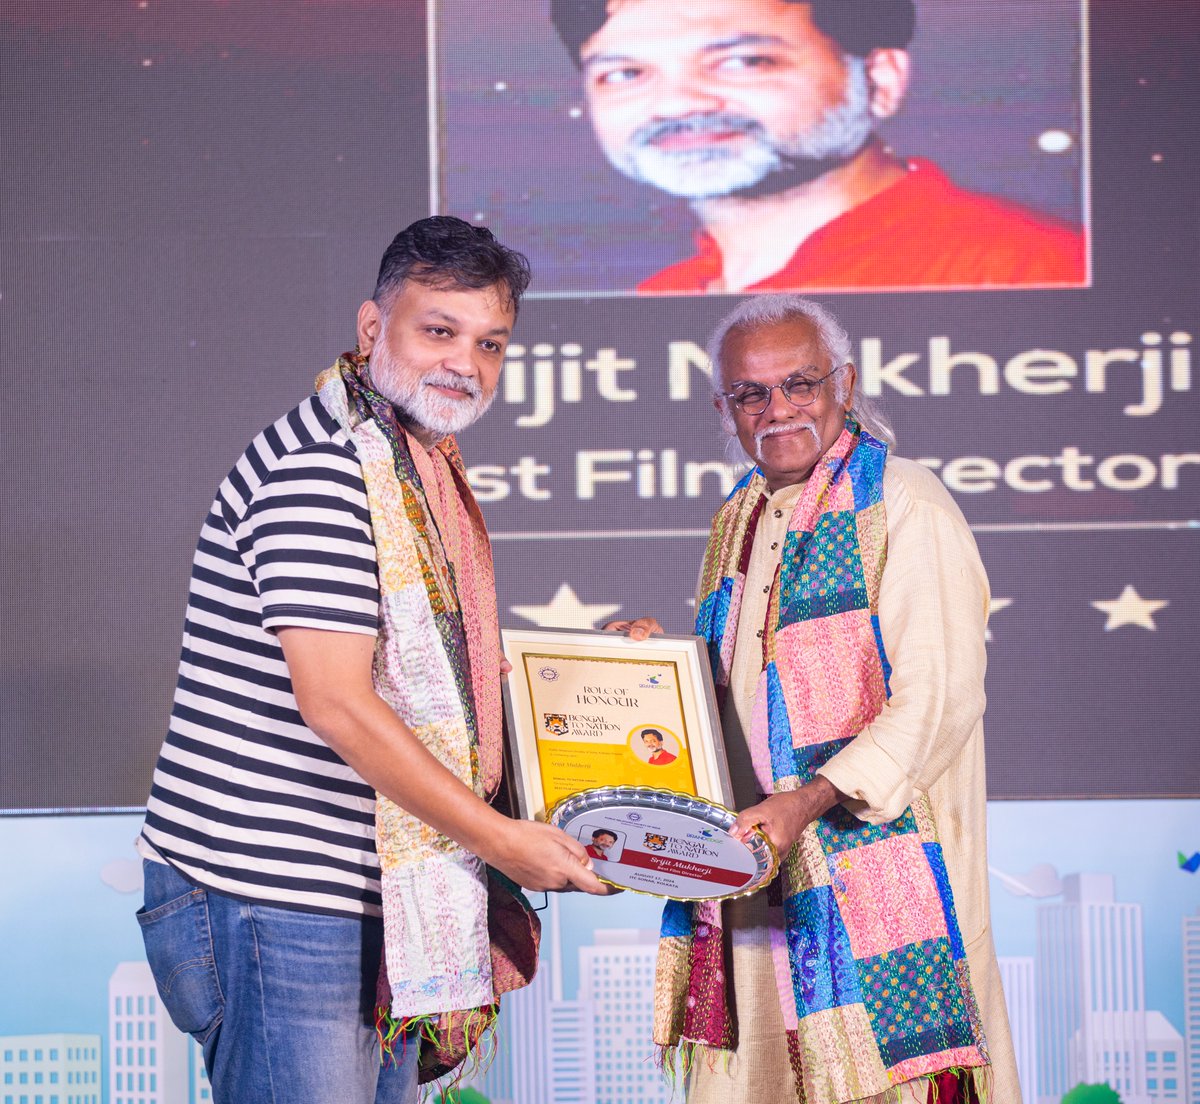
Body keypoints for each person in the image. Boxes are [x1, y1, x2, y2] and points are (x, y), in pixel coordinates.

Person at [135, 216, 609, 1104]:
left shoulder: (409, 464)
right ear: (370, 328)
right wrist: (500, 839)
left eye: (490, 343)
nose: (465, 363)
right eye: (439, 330)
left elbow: (439, 680)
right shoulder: (323, 471)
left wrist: (590, 679)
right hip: (275, 902)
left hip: (364, 900)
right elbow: (339, 705)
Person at [609, 294, 1022, 1103]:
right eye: (751, 394)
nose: (777, 409)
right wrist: (652, 672)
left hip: (879, 895)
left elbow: (940, 698)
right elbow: (751, 694)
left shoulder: (901, 499)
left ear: (845, 384)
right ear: (724, 408)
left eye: (799, 383)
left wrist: (811, 798)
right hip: (759, 887)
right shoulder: (740, 517)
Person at [551, 0, 1085, 293]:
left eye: (743, 62)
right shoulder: (662, 297)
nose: (677, 103)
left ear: (879, 81)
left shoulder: (1032, 269)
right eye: (625, 73)